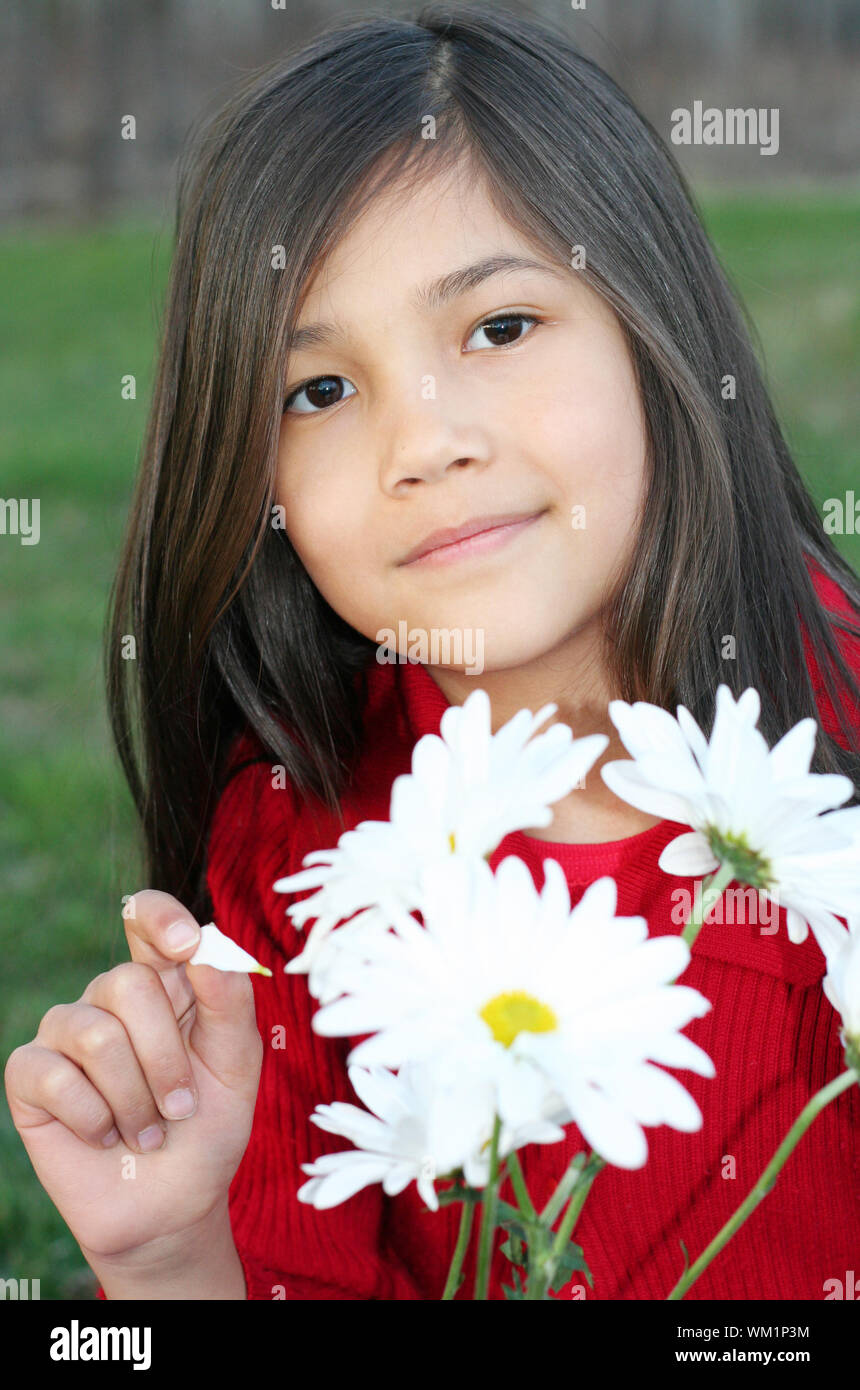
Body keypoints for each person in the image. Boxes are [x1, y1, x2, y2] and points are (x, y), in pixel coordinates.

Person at [5, 4, 860, 1301]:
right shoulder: (295, 853)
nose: (427, 443)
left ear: (652, 322)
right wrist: (173, 1255)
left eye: (500, 328)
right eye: (322, 391)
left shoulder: (836, 761)